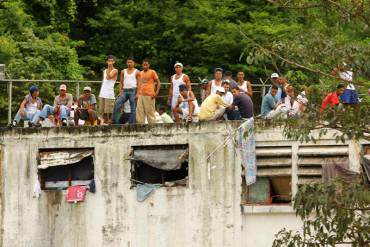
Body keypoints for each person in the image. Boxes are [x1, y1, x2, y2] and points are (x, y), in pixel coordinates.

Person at [112, 57, 140, 124]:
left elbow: (139, 83)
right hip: (124, 91)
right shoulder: (123, 71)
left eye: (131, 62)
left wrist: (138, 93)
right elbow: (121, 82)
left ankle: (131, 124)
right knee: (117, 104)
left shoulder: (137, 72)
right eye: (128, 62)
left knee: (133, 108)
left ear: (134, 63)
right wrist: (120, 91)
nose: (129, 64)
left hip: (133, 90)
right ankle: (115, 122)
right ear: (126, 63)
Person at [136, 59, 161, 124]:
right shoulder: (140, 73)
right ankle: (140, 126)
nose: (145, 66)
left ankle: (152, 127)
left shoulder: (152, 72)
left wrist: (156, 93)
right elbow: (138, 84)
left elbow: (158, 82)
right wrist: (137, 93)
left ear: (149, 65)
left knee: (150, 112)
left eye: (146, 65)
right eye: (144, 65)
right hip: (141, 95)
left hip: (149, 95)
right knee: (140, 112)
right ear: (142, 65)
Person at [98, 55, 118, 124]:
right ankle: (102, 124)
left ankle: (107, 126)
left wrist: (110, 67)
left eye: (111, 61)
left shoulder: (115, 70)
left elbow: (108, 77)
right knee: (101, 112)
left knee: (108, 113)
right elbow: (104, 81)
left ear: (114, 62)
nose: (110, 62)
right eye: (109, 61)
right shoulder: (105, 71)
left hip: (109, 94)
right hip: (102, 93)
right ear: (107, 62)